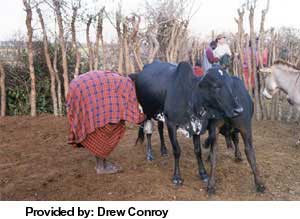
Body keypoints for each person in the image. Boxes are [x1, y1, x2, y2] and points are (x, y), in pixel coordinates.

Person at [66, 70, 145, 175]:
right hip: (82, 91)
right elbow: (133, 110)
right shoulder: (128, 84)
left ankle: (102, 163)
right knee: (105, 131)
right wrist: (144, 117)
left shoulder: (119, 79)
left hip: (78, 87)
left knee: (101, 127)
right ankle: (101, 167)